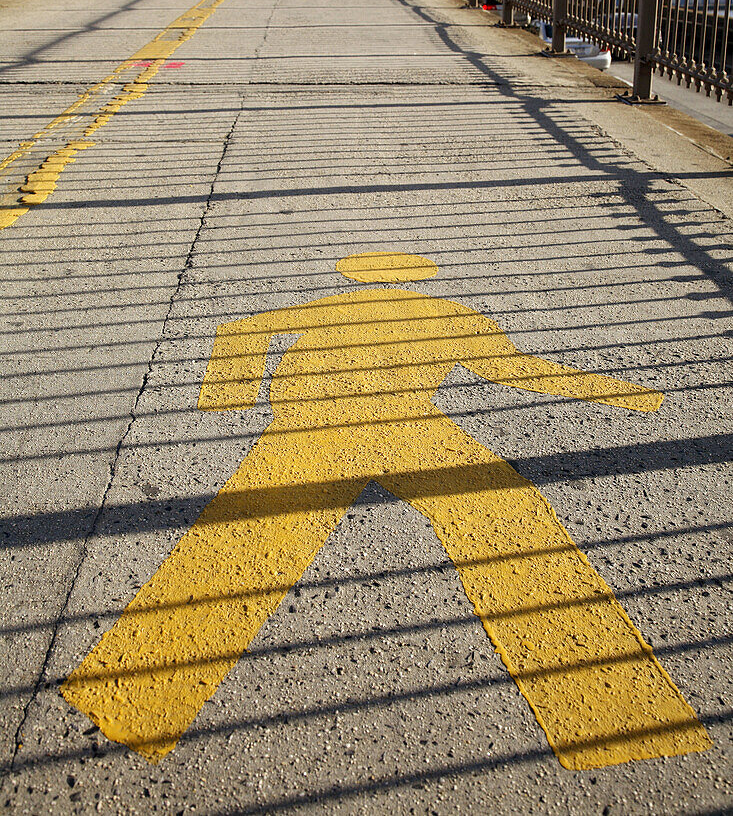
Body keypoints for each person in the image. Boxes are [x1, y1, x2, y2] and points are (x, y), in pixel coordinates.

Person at [61, 252, 708, 770]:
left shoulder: (338, 304)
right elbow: (514, 370)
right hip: (382, 423)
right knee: (505, 514)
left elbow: (242, 330)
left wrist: (228, 398)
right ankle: (610, 708)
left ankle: (143, 695)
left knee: (253, 532)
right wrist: (623, 395)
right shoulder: (453, 314)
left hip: (332, 422)